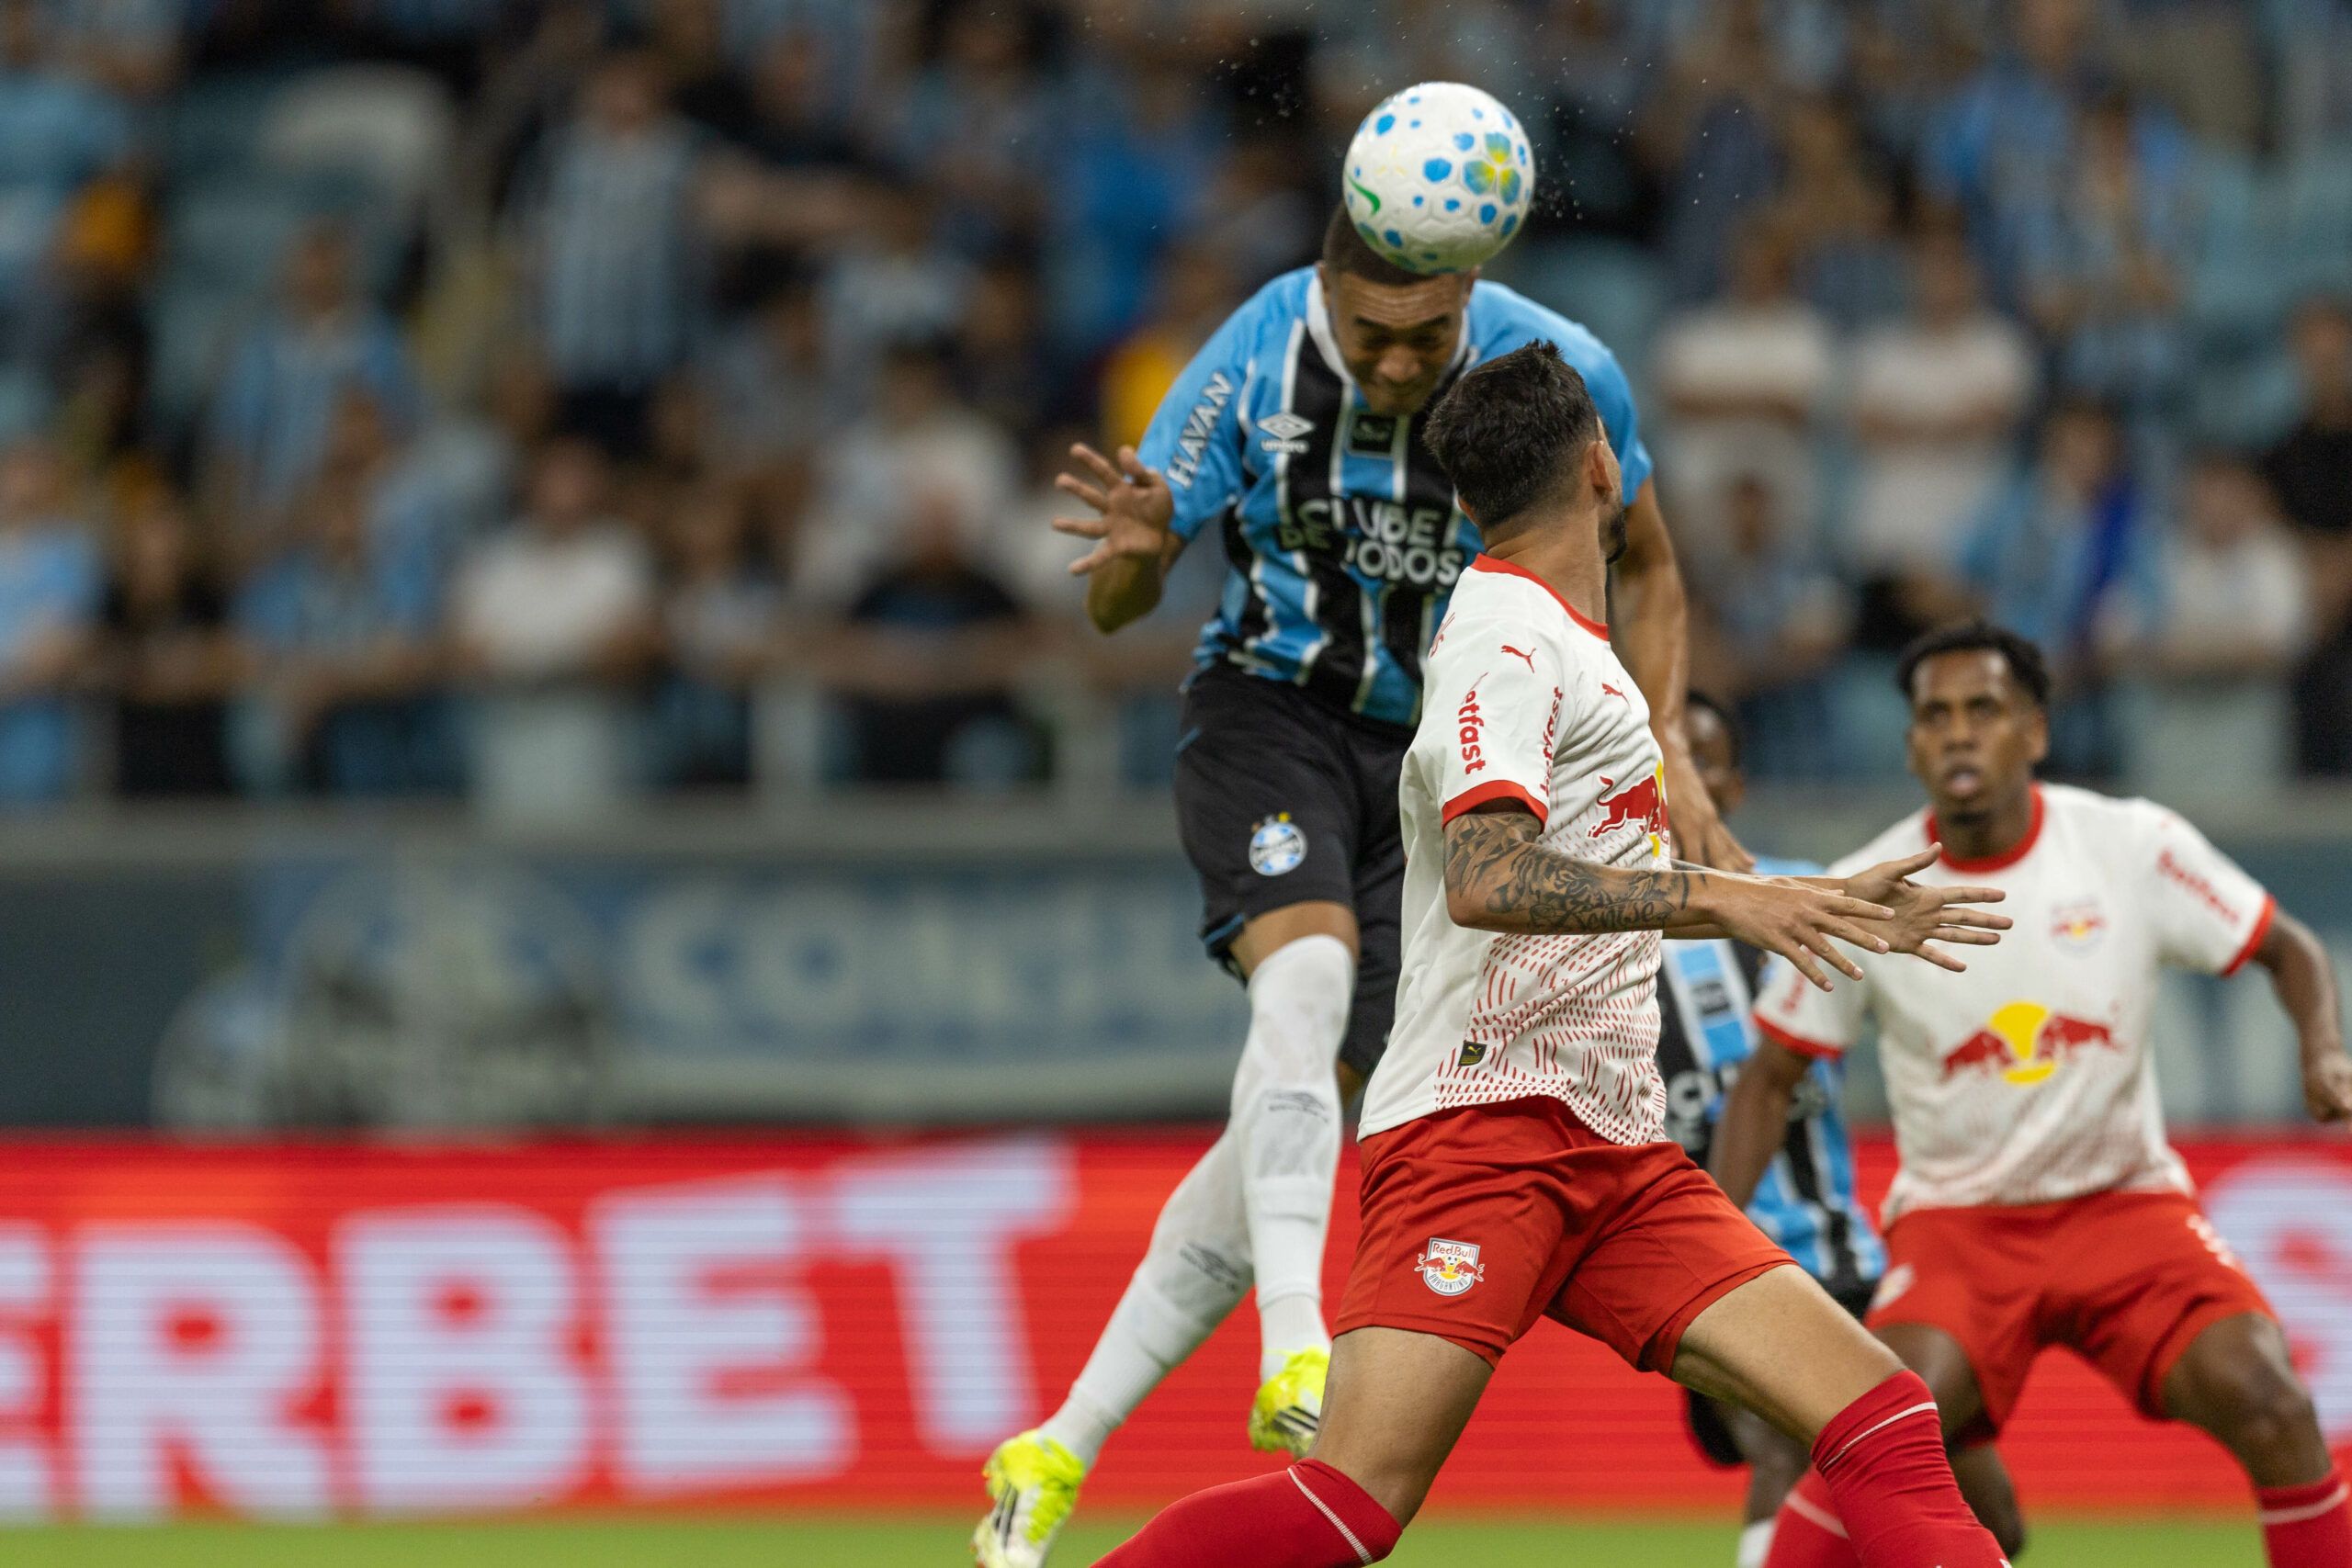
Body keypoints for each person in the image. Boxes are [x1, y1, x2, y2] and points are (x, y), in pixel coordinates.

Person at [1089, 342, 2014, 1568]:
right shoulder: (1506, 643)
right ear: (1601, 468)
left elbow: (1592, 886)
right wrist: (1725, 898)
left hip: (1614, 1150)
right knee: (1349, 1506)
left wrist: (1795, 899)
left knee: (1884, 1412)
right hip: (1482, 1135)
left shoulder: (1577, 646)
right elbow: (1488, 877)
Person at [976, 198, 1749, 1567]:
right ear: (1326, 289)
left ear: (1472, 291)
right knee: (1311, 972)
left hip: (1437, 760)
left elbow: (1655, 566)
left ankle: (1061, 1442)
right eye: (1374, 338)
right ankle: (1296, 1340)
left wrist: (1672, 741)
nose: (1399, 366)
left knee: (1315, 1092)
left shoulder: (1554, 368)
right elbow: (1112, 597)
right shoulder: (1251, 353)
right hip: (1269, 709)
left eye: (1427, 336)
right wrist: (1142, 561)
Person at [1713, 621, 2352, 1568]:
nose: (1959, 734)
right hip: (1959, 1229)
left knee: (2271, 1400)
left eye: (1984, 710)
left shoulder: (2128, 846)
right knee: (1872, 1438)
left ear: (2035, 732)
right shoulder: (1869, 891)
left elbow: (2287, 949)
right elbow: (1769, 1077)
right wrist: (1716, 1247)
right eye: (1935, 717)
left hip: (2126, 1209)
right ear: (1910, 746)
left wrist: (2323, 1053)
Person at [1668, 692, 2024, 1568]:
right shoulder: (1596, 922)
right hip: (1716, 1269)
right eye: (1664, 763)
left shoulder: (1811, 894)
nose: (1682, 784)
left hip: (1849, 1261)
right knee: (1788, 1453)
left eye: (1702, 762)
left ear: (1732, 786)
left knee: (1993, 1514)